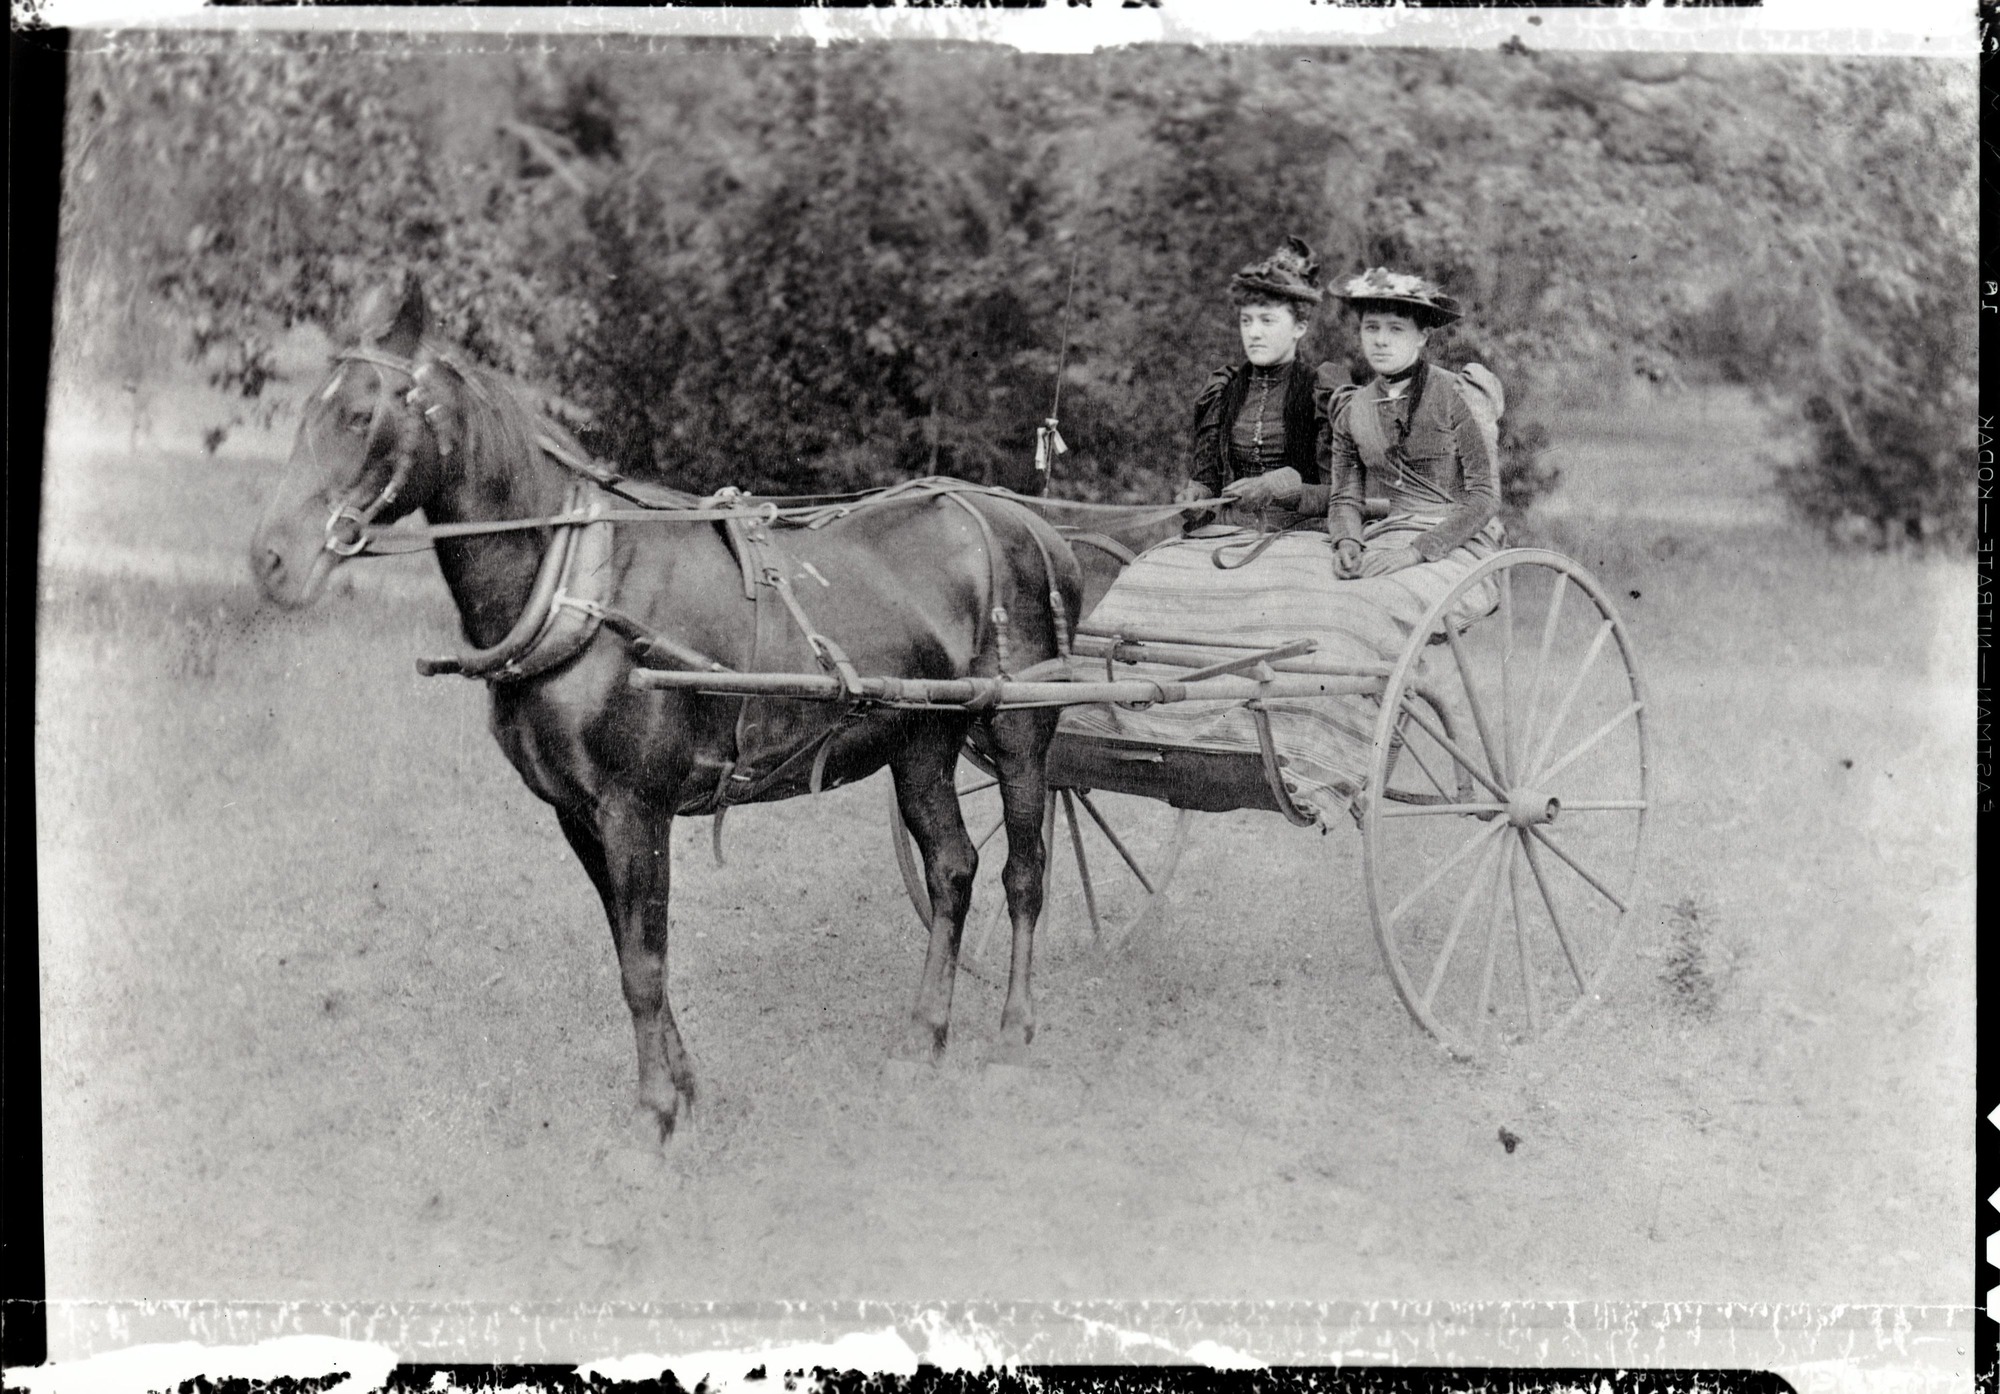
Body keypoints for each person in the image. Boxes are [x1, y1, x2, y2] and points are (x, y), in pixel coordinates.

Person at [1317, 267, 1503, 580]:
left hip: (1458, 541)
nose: (1381, 340)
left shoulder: (1457, 394)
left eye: (1396, 329)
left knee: (1389, 595)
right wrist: (1347, 541)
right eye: (1371, 327)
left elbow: (1485, 497)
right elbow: (1345, 497)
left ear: (1421, 336)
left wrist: (1416, 552)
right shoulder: (1353, 408)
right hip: (1389, 533)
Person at [1174, 237, 1332, 527]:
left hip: (1302, 534)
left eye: (1267, 321)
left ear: (1299, 327)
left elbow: (1342, 495)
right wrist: (1198, 495)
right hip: (1230, 529)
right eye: (1246, 321)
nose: (1254, 333)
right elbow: (1208, 480)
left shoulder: (1321, 391)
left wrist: (1279, 488)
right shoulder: (1224, 388)